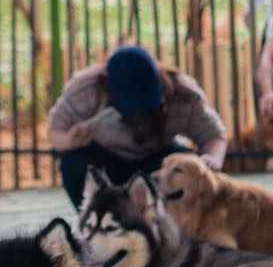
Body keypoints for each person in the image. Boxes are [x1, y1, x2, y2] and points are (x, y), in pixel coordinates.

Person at [48, 46, 228, 210]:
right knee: (73, 162)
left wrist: (212, 158)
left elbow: (214, 135)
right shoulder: (85, 89)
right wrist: (70, 140)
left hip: (156, 163)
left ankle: (176, 222)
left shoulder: (183, 93)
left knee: (189, 164)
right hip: (106, 161)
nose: (139, 117)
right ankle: (98, 216)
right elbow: (54, 133)